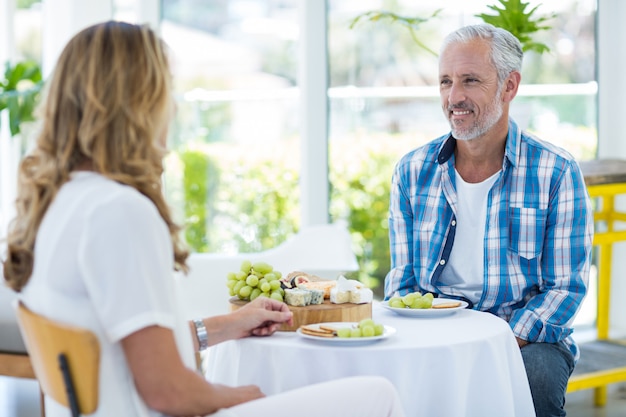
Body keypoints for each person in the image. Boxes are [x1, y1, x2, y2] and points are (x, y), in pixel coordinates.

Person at [2, 21, 405, 417]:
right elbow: (168, 391)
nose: (173, 107)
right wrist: (244, 397)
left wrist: (229, 325)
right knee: (379, 394)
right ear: (137, 106)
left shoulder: (59, 201)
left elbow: (128, 349)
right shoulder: (119, 213)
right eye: (166, 92)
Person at [384, 23, 593, 417]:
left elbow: (565, 289)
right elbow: (403, 278)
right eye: (445, 81)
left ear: (509, 86)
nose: (454, 97)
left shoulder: (556, 171)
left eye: (469, 81)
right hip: (435, 327)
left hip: (526, 337)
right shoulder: (412, 170)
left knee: (536, 381)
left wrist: (496, 342)